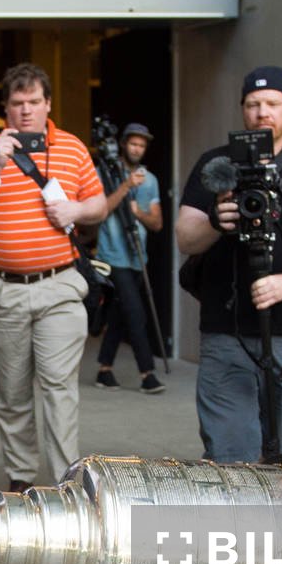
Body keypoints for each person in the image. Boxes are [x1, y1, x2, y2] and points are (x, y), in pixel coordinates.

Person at [175, 67, 282, 462]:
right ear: (242, 111)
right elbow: (186, 236)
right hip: (225, 329)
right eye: (252, 104)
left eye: (272, 103)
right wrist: (217, 220)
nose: (261, 112)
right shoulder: (215, 165)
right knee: (230, 450)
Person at [0, 63, 118, 491]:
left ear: (48, 104)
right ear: (5, 107)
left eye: (34, 102)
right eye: (17, 103)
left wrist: (77, 210)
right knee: (14, 392)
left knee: (59, 389)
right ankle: (21, 478)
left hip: (59, 285)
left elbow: (99, 205)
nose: (25, 112)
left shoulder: (72, 148)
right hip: (4, 289)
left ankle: (65, 482)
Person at [93, 121, 166, 394]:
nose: (137, 148)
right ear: (123, 144)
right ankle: (147, 374)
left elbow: (157, 223)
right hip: (111, 257)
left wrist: (138, 213)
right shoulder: (105, 174)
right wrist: (125, 186)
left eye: (142, 145)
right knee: (135, 312)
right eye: (133, 143)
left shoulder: (151, 180)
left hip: (138, 257)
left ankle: (104, 370)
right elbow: (101, 210)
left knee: (121, 312)